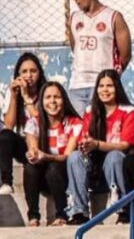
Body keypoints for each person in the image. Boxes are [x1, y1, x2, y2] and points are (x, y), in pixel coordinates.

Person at [65, 69, 134, 224]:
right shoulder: (90, 110)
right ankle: (79, 212)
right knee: (74, 157)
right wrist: (86, 145)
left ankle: (123, 208)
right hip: (94, 167)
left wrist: (97, 144)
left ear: (117, 87)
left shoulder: (129, 111)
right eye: (101, 86)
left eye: (110, 86)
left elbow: (125, 146)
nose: (105, 90)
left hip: (118, 168)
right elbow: (85, 139)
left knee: (114, 155)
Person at [63, 0, 132, 114]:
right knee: (80, 131)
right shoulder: (74, 18)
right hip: (77, 84)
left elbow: (125, 55)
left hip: (101, 86)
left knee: (101, 129)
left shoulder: (113, 17)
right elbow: (75, 48)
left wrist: (111, 78)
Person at [22, 82, 79, 227]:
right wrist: (34, 155)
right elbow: (33, 147)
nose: (52, 101)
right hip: (43, 178)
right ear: (41, 101)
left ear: (64, 100)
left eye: (57, 97)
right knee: (30, 167)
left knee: (54, 167)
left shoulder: (74, 123)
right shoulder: (34, 123)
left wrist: (46, 156)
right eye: (48, 97)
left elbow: (67, 156)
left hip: (65, 176)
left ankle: (62, 214)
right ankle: (33, 216)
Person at [0, 53, 44, 197]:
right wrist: (14, 96)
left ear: (39, 73)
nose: (29, 75)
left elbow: (41, 121)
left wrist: (26, 97)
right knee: (5, 135)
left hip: (42, 145)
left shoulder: (46, 92)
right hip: (23, 145)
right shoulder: (13, 93)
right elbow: (8, 125)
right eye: (24, 71)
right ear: (18, 74)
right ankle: (6, 182)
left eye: (33, 71)